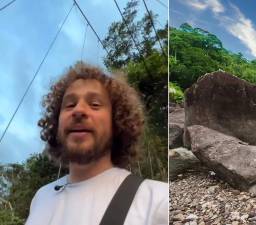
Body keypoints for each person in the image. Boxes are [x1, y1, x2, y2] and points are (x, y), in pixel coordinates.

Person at [25, 62, 168, 225]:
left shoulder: (157, 200)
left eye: (95, 104)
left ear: (117, 122)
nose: (78, 111)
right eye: (70, 105)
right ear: (57, 123)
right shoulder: (41, 198)